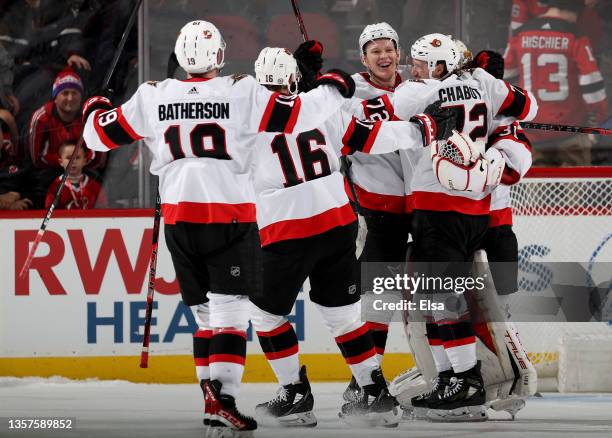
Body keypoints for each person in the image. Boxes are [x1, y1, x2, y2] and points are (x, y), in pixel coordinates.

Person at [82, 20, 355, 436]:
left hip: (179, 222)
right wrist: (333, 85)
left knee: (205, 320)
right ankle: (224, 401)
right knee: (229, 316)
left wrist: (94, 107)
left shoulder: (154, 95)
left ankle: (212, 406)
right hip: (229, 219)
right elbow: (299, 113)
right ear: (220, 56)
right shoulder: (240, 91)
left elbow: (96, 136)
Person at [341, 33, 537, 421]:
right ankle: (456, 377)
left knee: (440, 300)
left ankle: (465, 378)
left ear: (438, 65)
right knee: (450, 299)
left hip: (435, 209)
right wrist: (495, 100)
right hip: (479, 213)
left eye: (415, 61)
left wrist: (318, 108)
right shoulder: (483, 85)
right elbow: (528, 106)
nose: (409, 68)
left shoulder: (416, 93)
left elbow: (361, 122)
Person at [248, 46, 399, 428]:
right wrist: (423, 130)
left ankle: (295, 395)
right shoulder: (320, 108)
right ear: (295, 77)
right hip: (336, 222)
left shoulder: (245, 123)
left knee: (265, 315)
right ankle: (374, 394)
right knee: (343, 316)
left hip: (287, 228)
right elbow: (370, 138)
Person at [341, 22, 413, 401]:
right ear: (363, 58)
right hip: (381, 211)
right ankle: (365, 381)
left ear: (398, 52)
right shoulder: (349, 91)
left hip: (423, 208)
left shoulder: (415, 84)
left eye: (389, 48)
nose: (384, 56)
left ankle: (451, 373)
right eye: (375, 51)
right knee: (377, 301)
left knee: (438, 295)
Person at [504, 0, 608, 165]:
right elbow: (592, 84)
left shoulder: (521, 34)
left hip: (533, 129)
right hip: (571, 130)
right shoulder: (575, 36)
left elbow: (506, 77)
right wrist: (599, 115)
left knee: (537, 186)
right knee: (576, 185)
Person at [28, 68, 104, 188]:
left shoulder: (90, 116)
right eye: (65, 93)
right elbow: (36, 158)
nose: (70, 98)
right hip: (51, 170)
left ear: (81, 96)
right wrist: (64, 162)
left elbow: (98, 158)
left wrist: (79, 163)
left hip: (84, 169)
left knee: (98, 181)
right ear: (55, 97)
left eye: (75, 93)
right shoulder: (41, 118)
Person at [45, 141, 106, 210]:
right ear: (61, 162)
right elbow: (49, 211)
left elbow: (104, 209)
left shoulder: (95, 186)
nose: (73, 161)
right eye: (68, 158)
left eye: (77, 157)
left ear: (85, 161)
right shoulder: (55, 186)